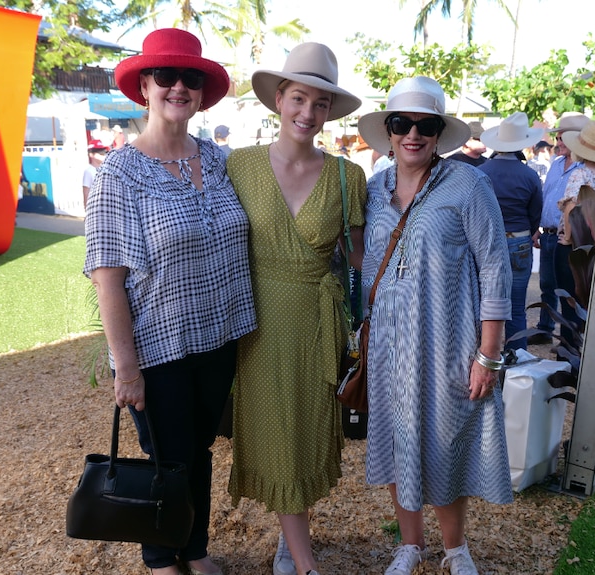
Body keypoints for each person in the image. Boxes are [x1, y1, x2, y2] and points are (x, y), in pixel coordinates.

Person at [83, 28, 256, 575]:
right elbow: (107, 277)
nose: (179, 87)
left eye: (191, 77)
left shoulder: (222, 160)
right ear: (145, 86)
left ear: (202, 91)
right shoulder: (122, 171)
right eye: (166, 76)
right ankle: (162, 560)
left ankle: (194, 547)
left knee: (197, 451)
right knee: (164, 457)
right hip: (157, 346)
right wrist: (125, 367)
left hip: (218, 336)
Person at [357, 76, 513, 575]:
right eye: (402, 124)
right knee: (394, 437)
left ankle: (455, 547)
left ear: (440, 133)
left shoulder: (469, 185)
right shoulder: (374, 188)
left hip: (447, 341)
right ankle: (410, 544)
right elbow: (366, 259)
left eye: (425, 126)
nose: (413, 135)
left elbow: (495, 265)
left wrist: (489, 352)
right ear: (387, 129)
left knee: (445, 442)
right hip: (386, 345)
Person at [225, 42, 366, 575]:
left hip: (316, 320)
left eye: (321, 104)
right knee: (276, 428)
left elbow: (359, 259)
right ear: (278, 99)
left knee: (305, 431)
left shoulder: (347, 177)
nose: (309, 113)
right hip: (256, 320)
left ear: (330, 111)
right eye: (299, 99)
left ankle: (292, 537)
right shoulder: (237, 166)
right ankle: (305, 559)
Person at [478, 112, 543, 352]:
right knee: (516, 307)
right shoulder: (530, 175)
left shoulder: (482, 171)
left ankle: (482, 355)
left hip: (486, 242)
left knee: (483, 303)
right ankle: (518, 361)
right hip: (519, 242)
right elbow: (535, 213)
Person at [529, 112, 589, 345]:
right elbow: (545, 197)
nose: (558, 142)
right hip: (549, 235)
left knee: (569, 291)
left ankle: (569, 337)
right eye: (559, 137)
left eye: (563, 138)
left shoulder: (587, 168)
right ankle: (545, 329)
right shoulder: (555, 164)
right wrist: (537, 228)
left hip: (570, 239)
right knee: (547, 285)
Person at [555, 119, 595, 339]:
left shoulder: (582, 174)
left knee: (570, 304)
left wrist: (568, 237)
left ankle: (568, 357)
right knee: (590, 304)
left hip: (576, 246)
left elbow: (571, 208)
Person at [82, 139, 108, 210]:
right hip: (95, 208)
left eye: (104, 153)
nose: (103, 155)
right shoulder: (89, 171)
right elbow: (86, 192)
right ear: (91, 155)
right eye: (100, 153)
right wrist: (87, 210)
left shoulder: (106, 169)